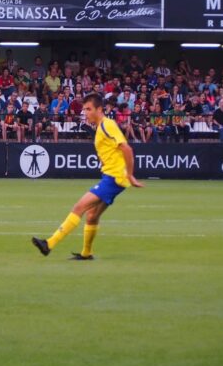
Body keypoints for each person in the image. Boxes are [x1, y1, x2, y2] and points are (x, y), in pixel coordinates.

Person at [32, 94, 143, 260]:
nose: (86, 112)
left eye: (89, 109)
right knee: (92, 215)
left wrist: (130, 175)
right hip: (112, 177)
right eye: (84, 109)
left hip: (114, 178)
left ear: (100, 109)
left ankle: (49, 244)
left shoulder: (107, 124)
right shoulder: (100, 127)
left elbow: (127, 149)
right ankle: (86, 253)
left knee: (79, 207)